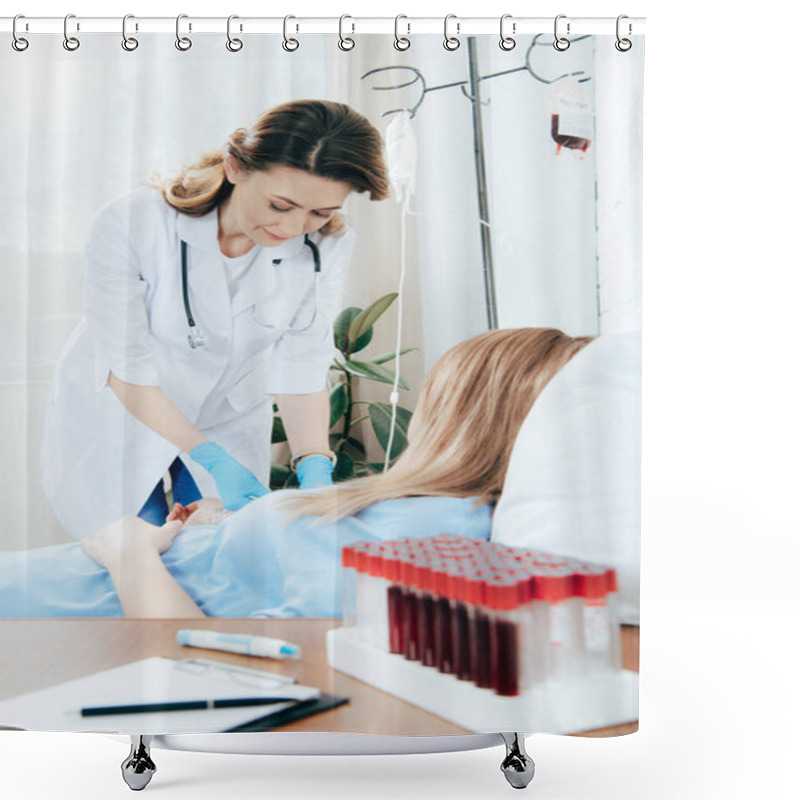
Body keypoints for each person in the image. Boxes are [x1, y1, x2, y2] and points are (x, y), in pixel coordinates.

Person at [4, 329, 593, 619]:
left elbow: (201, 661)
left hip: (47, 610)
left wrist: (129, 548)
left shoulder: (429, 533)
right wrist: (222, 526)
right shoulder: (431, 513)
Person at [40, 100, 390, 540]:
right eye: (281, 204)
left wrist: (315, 465)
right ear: (235, 168)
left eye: (321, 212)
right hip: (124, 413)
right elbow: (126, 365)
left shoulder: (325, 247)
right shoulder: (133, 224)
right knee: (135, 554)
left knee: (220, 551)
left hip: (226, 416)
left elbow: (302, 362)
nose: (297, 226)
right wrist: (212, 460)